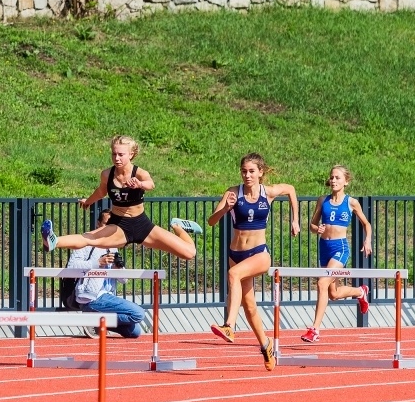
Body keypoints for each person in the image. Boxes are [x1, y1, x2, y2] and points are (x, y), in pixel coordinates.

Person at [208, 153, 300, 371]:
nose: (247, 175)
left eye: (251, 171)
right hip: (236, 254)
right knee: (250, 307)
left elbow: (291, 190)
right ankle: (266, 345)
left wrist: (295, 220)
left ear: (260, 172)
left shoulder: (268, 192)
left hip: (259, 253)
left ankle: (229, 325)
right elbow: (211, 221)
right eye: (244, 171)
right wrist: (225, 208)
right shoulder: (232, 193)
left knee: (233, 275)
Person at [40, 135, 201, 260]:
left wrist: (139, 184)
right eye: (114, 154)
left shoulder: (139, 173)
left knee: (189, 253)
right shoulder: (107, 174)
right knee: (89, 238)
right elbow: (101, 191)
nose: (116, 158)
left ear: (131, 154)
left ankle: (177, 225)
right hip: (119, 225)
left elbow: (151, 184)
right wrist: (88, 201)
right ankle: (53, 241)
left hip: (142, 224)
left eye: (121, 154)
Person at [300, 164, 372, 343]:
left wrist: (367, 240)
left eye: (337, 178)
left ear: (346, 181)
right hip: (324, 247)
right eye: (331, 177)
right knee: (333, 294)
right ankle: (360, 292)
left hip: (340, 249)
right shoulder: (322, 200)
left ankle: (314, 329)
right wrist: (317, 229)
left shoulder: (351, 202)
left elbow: (366, 224)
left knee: (322, 283)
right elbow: (312, 225)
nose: (333, 180)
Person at [67, 208, 146, 338]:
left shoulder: (113, 246)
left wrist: (118, 267)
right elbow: (71, 267)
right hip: (92, 297)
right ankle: (94, 319)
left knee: (135, 331)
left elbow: (124, 280)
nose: (108, 229)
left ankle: (97, 321)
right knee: (138, 314)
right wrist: (97, 262)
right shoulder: (86, 242)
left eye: (112, 225)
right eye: (105, 224)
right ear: (98, 224)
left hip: (108, 297)